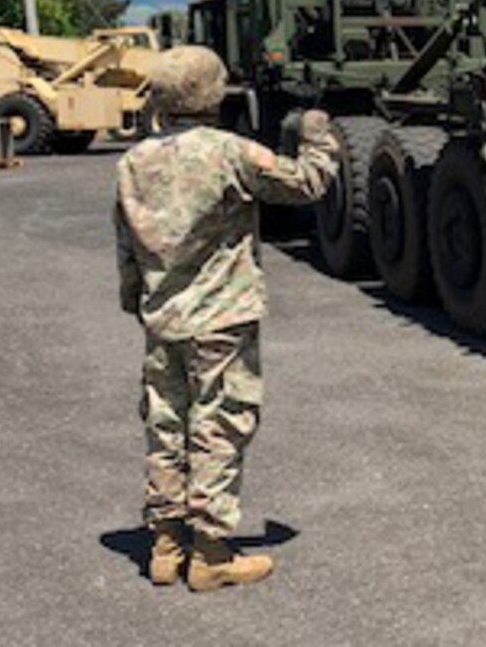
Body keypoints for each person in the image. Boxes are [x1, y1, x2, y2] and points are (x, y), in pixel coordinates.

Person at [115, 46, 338, 591]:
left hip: (162, 317)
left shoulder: (133, 162)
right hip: (221, 319)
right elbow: (306, 183)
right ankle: (212, 553)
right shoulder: (230, 152)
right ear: (213, 94)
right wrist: (315, 131)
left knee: (166, 425)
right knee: (219, 424)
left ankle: (166, 545)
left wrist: (136, 301)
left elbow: (126, 245)